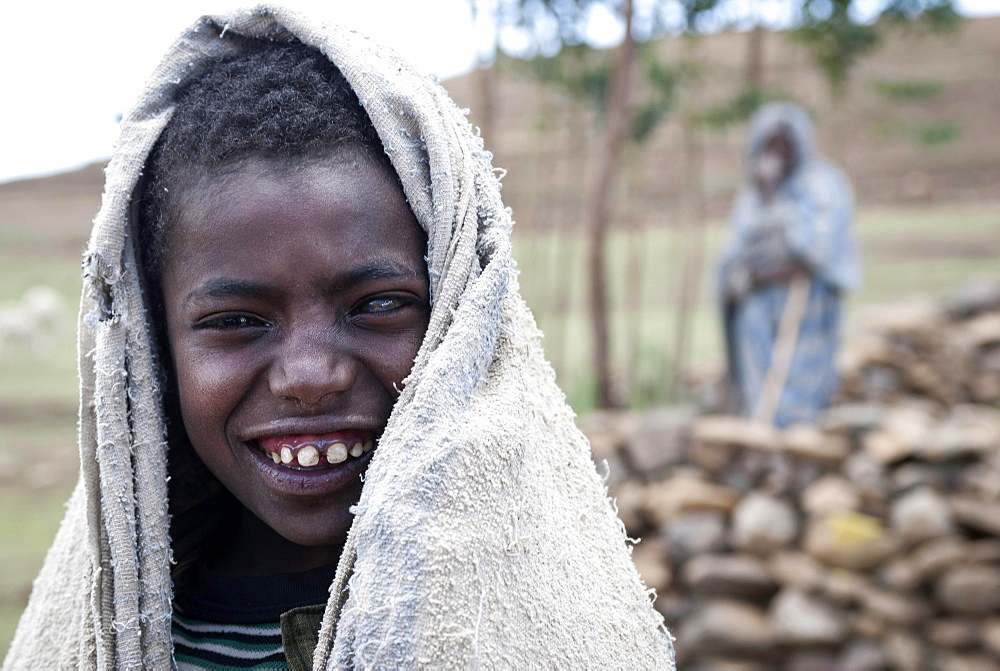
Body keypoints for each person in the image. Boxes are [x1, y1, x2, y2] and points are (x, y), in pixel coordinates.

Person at [4, 6, 674, 669]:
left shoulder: (551, 628)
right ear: (153, 350)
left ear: (464, 315)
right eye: (237, 320)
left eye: (379, 304)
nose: (310, 374)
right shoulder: (94, 644)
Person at [719, 102, 860, 427]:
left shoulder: (822, 184)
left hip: (809, 300)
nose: (778, 153)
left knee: (800, 384)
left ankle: (799, 439)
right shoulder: (751, 196)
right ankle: (765, 436)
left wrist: (775, 202)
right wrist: (767, 194)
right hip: (759, 305)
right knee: (762, 380)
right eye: (770, 144)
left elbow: (815, 253)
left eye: (785, 144)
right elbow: (738, 255)